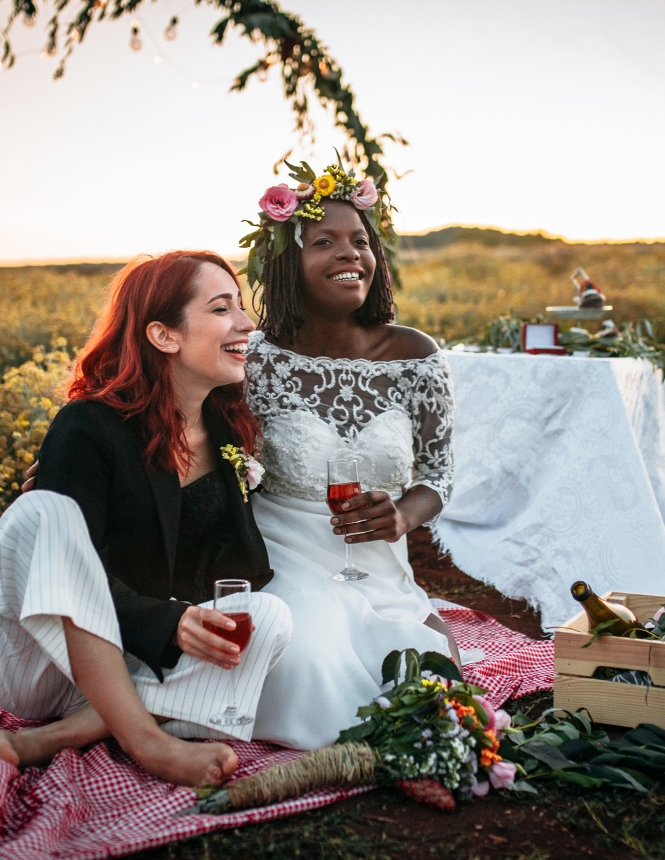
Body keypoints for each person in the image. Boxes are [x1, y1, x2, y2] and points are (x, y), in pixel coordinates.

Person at [0, 251, 292, 788]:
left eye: (242, 307)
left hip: (129, 659)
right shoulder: (89, 426)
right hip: (37, 654)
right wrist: (167, 622)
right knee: (46, 511)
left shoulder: (227, 432)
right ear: (164, 336)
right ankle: (148, 740)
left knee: (269, 617)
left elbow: (232, 569)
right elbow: (70, 574)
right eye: (221, 308)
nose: (246, 323)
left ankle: (65, 733)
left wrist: (193, 618)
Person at [240, 161, 458, 750]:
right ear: (289, 261)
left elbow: (439, 472)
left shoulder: (414, 354)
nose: (350, 254)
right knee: (309, 662)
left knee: (429, 675)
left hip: (379, 561)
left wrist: (404, 515)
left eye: (361, 241)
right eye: (325, 242)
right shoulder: (252, 359)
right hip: (282, 555)